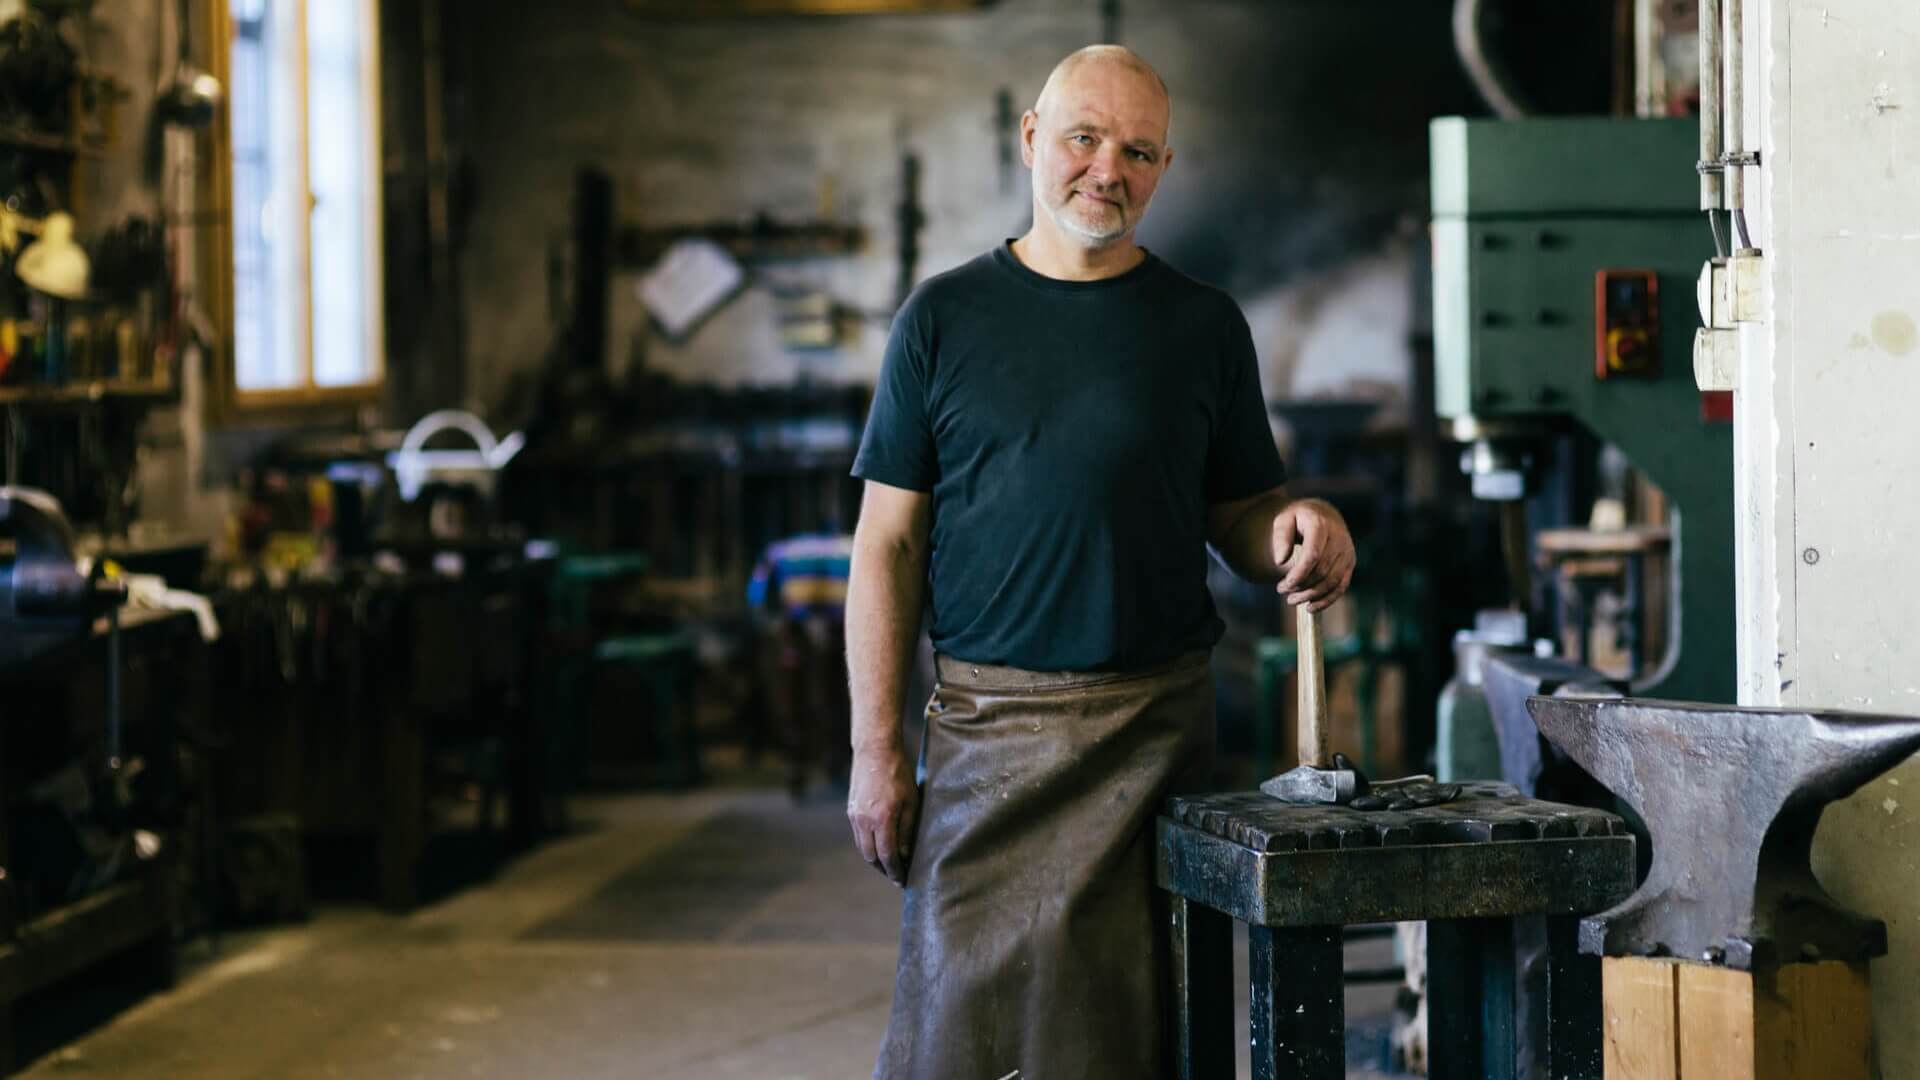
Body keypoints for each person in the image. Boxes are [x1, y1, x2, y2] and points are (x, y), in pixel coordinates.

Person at [845, 44, 1357, 1079]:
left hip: (1151, 741)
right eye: (1083, 138)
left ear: (1163, 168)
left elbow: (1242, 514)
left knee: (1130, 1043)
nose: (1106, 170)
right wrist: (876, 750)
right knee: (959, 1045)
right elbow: (886, 544)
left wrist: (1301, 524)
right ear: (1033, 139)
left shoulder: (1203, 326)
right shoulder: (941, 320)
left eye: (1137, 150)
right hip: (987, 745)